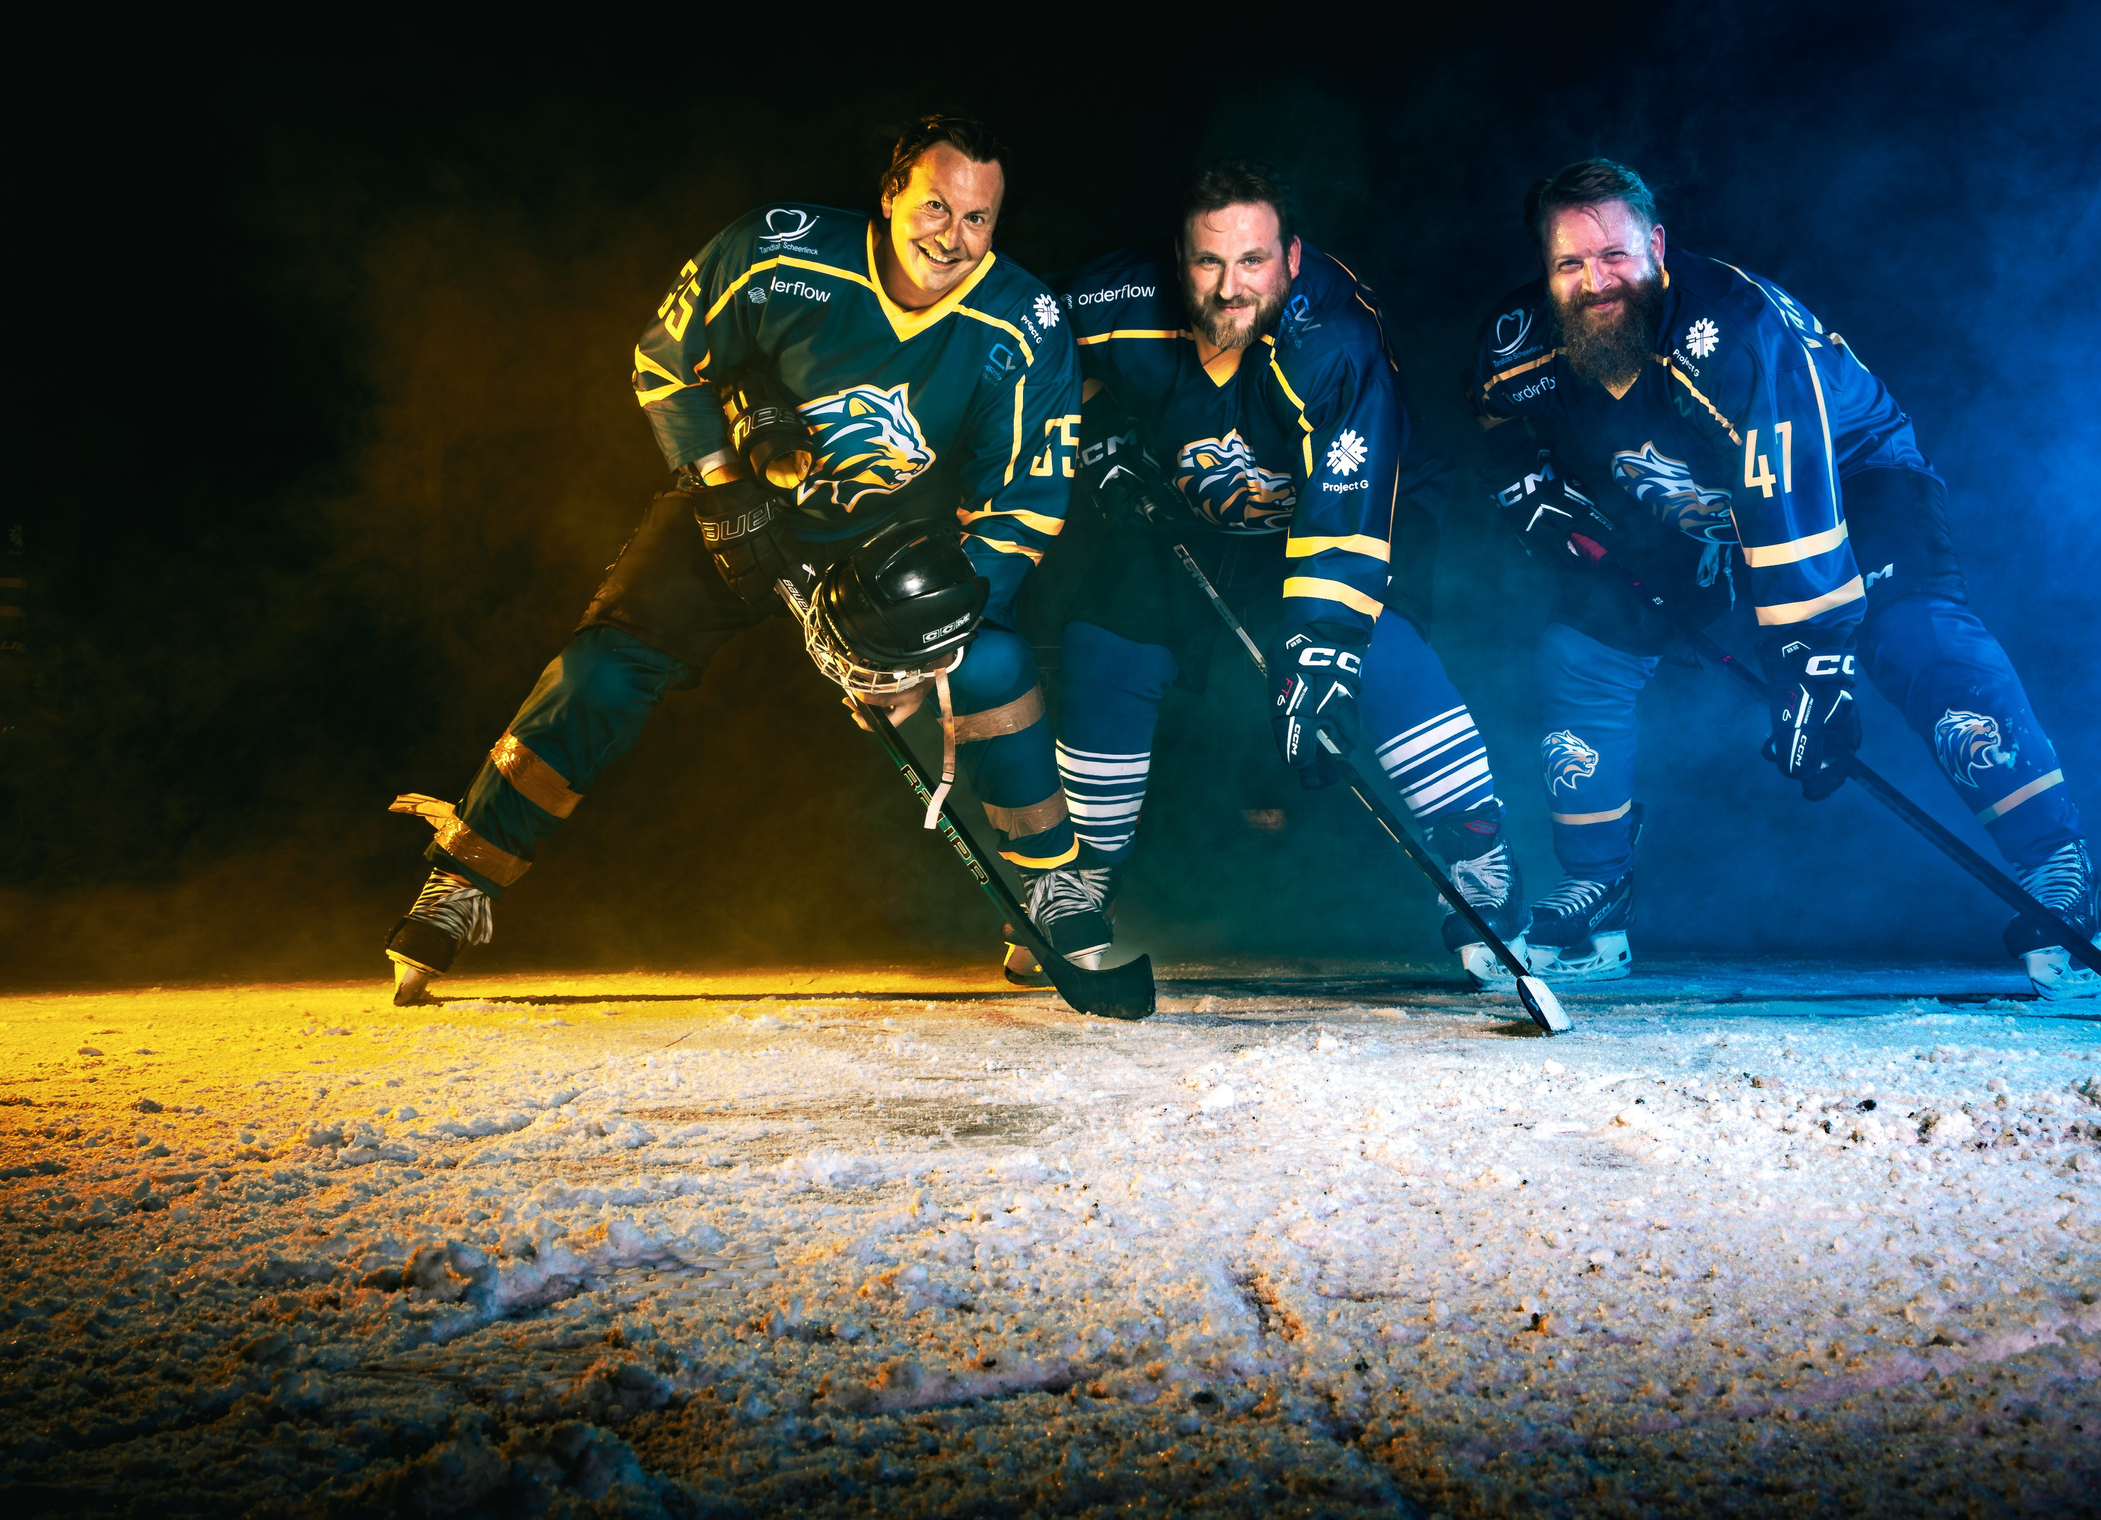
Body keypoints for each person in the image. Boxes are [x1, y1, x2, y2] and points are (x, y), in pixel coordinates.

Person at [380, 116, 1083, 1004]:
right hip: (744, 501)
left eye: (978, 219)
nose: (953, 236)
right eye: (936, 207)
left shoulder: (1024, 319)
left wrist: (930, 644)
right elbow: (666, 362)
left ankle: (1048, 889)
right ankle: (463, 878)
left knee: (989, 661)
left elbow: (1023, 502)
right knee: (600, 668)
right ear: (890, 194)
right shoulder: (776, 252)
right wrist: (720, 486)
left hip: (889, 546)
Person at [1471, 158, 2101, 997]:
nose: (1596, 281)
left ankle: (2062, 874)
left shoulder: (1731, 333)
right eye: (1570, 263)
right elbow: (1495, 407)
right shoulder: (1521, 335)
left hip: (1849, 481)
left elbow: (1788, 504)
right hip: (1695, 505)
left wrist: (1815, 666)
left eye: (1616, 256)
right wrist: (1527, 480)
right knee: (1582, 648)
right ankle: (1598, 894)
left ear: (1658, 246)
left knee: (1912, 635)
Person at [1036, 160, 1525, 985]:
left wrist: (1323, 647)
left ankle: (1480, 866)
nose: (1230, 288)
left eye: (1253, 261)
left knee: (1375, 647)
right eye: (1207, 262)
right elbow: (1012, 332)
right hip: (1196, 519)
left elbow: (1345, 508)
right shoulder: (1115, 301)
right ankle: (1079, 877)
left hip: (1354, 510)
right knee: (1107, 637)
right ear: (1178, 257)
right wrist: (1089, 423)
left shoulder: (1334, 340)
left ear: (1292, 259)